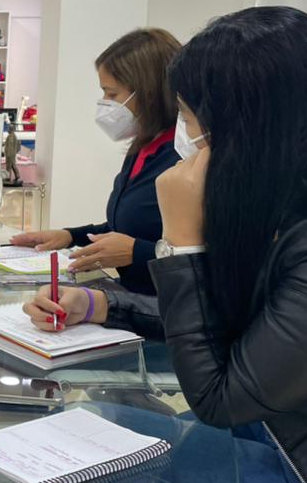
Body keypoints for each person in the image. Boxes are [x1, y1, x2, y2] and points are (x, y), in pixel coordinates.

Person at [25, 7, 307, 483]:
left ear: (247, 121)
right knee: (92, 446)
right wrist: (100, 306)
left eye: (190, 115)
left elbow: (220, 400)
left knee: (87, 453)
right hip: (284, 443)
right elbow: (233, 320)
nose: (187, 133)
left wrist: (182, 244)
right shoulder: (296, 204)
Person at [11, 29, 181, 294]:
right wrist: (70, 236)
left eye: (112, 94)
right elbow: (126, 228)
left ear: (148, 93)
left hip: (164, 306)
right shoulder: (142, 148)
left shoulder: (183, 158)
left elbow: (200, 259)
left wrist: (137, 252)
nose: (105, 103)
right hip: (130, 297)